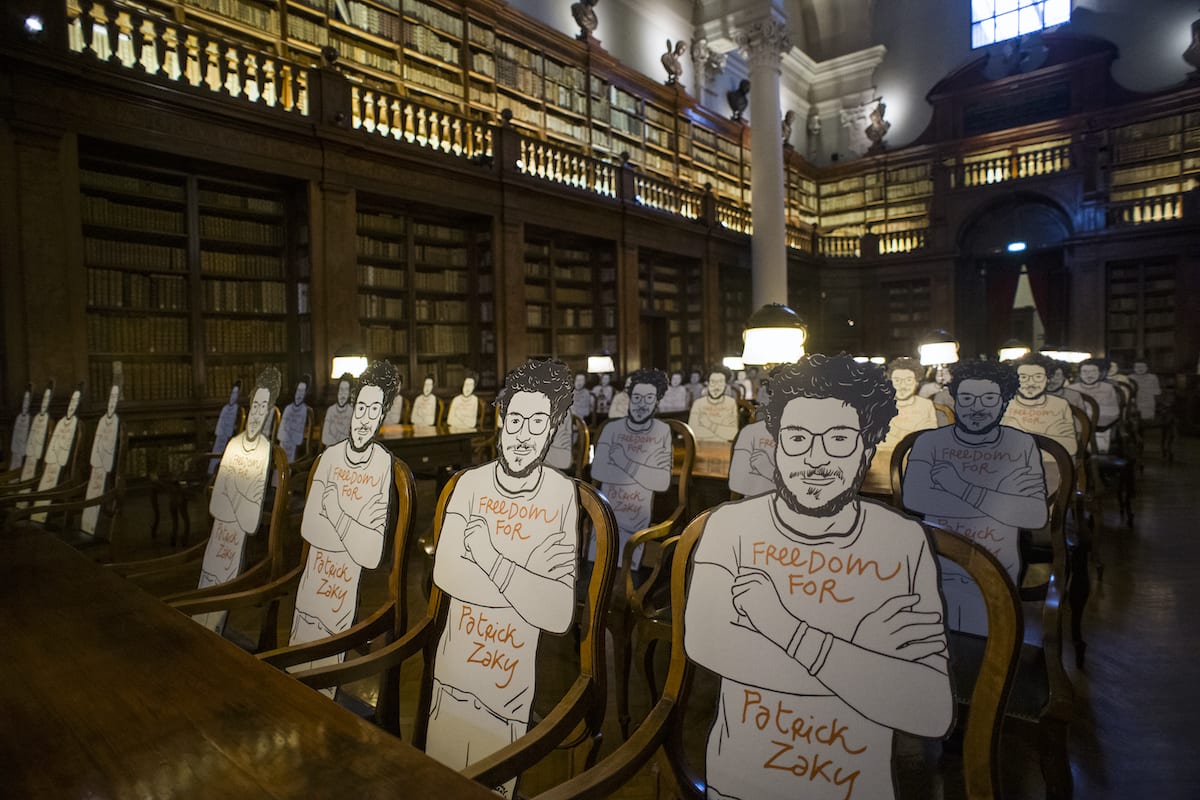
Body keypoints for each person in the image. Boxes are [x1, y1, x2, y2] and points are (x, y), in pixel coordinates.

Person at [685, 354, 953, 800]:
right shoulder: (729, 527)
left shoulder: (902, 541)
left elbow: (930, 710)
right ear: (775, 442)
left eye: (840, 440)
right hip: (739, 783)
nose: (815, 458)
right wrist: (864, 653)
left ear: (869, 447)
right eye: (797, 438)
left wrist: (781, 627)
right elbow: (706, 644)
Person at [426, 358, 579, 798]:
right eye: (515, 420)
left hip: (509, 687)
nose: (523, 435)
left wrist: (490, 557)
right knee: (441, 782)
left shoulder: (560, 494)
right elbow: (448, 572)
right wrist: (527, 571)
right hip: (452, 676)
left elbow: (553, 612)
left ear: (552, 430)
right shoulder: (469, 485)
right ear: (500, 422)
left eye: (537, 423)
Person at [902, 359, 1047, 635]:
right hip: (936, 565)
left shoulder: (1021, 444)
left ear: (1004, 401)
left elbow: (1035, 515)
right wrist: (1002, 494)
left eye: (989, 398)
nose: (976, 407)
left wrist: (957, 485)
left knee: (987, 649)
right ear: (954, 400)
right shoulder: (930, 442)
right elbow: (915, 499)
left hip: (997, 567)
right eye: (967, 398)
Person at [288, 361, 399, 693]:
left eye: (373, 410)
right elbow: (310, 529)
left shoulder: (382, 465)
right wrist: (354, 528)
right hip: (310, 592)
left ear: (382, 416)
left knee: (321, 684)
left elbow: (368, 553)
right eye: (360, 407)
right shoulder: (329, 458)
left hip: (341, 596)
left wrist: (335, 512)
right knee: (295, 671)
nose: (364, 418)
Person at [194, 367, 280, 633]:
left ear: (268, 414)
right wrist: (238, 498)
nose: (257, 414)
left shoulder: (266, 451)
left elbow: (250, 517)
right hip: (218, 540)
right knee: (206, 595)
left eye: (263, 408)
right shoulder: (232, 445)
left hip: (235, 545)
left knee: (219, 605)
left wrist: (234, 495)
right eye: (255, 406)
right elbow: (216, 505)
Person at [590, 368, 672, 568]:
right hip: (604, 524)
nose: (641, 404)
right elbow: (598, 471)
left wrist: (621, 460)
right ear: (629, 398)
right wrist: (646, 470)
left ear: (657, 400)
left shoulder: (662, 431)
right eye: (637, 397)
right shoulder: (611, 429)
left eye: (649, 398)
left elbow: (661, 482)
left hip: (637, 529)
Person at [861, 357, 939, 495]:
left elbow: (927, 440)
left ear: (917, 381)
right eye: (897, 381)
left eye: (908, 380)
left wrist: (893, 432)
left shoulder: (925, 405)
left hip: (913, 466)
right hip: (876, 469)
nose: (902, 386)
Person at [1002, 352, 1077, 458]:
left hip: (1052, 468)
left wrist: (1019, 433)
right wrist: (1049, 438)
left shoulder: (1060, 404)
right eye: (1023, 377)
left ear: (1048, 379)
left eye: (1038, 377)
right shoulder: (1005, 403)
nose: (1031, 383)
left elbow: (1071, 447)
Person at [81, 384, 121, 534]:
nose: (111, 404)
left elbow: (108, 451)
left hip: (105, 463)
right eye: (110, 400)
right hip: (97, 463)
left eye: (114, 401)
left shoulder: (115, 421)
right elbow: (98, 442)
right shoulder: (102, 421)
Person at [1069, 358, 1122, 453]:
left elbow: (1114, 412)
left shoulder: (1108, 388)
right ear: (1079, 373)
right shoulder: (1071, 389)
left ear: (1100, 373)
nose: (1089, 375)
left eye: (1093, 371)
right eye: (1085, 371)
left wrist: (1087, 415)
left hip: (1101, 429)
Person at [688, 366, 739, 442]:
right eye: (712, 382)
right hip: (699, 447)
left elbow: (732, 434)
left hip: (724, 448)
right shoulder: (698, 403)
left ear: (726, 385)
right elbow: (693, 432)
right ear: (707, 384)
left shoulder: (731, 403)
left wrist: (708, 424)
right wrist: (722, 429)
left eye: (720, 382)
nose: (716, 386)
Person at [20, 383, 53, 483]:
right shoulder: (34, 419)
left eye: (47, 400)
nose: (44, 403)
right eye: (43, 400)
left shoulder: (48, 421)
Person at [278, 374, 311, 462]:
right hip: (283, 447)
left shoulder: (305, 410)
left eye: (302, 392)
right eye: (298, 391)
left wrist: (290, 433)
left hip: (296, 452)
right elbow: (281, 433)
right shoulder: (288, 408)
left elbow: (299, 438)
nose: (299, 395)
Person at [210, 381, 240, 474]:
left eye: (236, 394)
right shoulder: (225, 408)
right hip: (221, 435)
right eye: (232, 394)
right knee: (216, 456)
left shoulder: (237, 409)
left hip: (229, 437)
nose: (233, 397)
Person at [322, 374, 354, 446]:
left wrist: (335, 432)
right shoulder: (330, 410)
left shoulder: (352, 411)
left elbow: (351, 438)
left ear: (349, 394)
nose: (342, 394)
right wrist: (341, 435)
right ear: (337, 391)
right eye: (341, 390)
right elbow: (324, 438)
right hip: (330, 452)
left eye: (346, 391)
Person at [8, 384, 32, 470]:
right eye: (24, 401)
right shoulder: (18, 418)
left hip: (24, 451)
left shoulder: (30, 419)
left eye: (27, 401)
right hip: (16, 448)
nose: (25, 404)